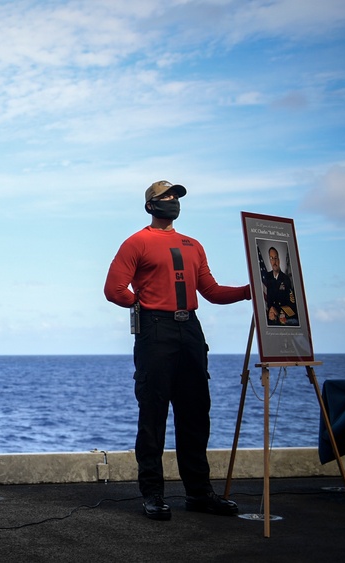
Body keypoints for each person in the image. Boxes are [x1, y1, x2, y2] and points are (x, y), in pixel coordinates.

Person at [104, 180, 250, 521]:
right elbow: (113, 288)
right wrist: (140, 304)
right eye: (166, 197)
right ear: (151, 206)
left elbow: (211, 291)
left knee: (196, 412)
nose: (173, 201)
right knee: (153, 414)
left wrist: (248, 291)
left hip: (191, 329)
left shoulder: (193, 245)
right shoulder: (137, 242)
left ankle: (199, 494)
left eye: (176, 197)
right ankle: (153, 495)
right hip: (156, 330)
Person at [264, 247, 298, 326]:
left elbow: (292, 304)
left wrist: (278, 311)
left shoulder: (285, 279)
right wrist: (270, 311)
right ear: (269, 260)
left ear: (279, 260)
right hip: (270, 319)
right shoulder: (266, 277)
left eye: (275, 258)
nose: (274, 261)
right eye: (271, 258)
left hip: (283, 319)